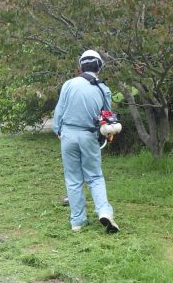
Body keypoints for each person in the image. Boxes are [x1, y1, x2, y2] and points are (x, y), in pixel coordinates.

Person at [52, 50, 119, 233]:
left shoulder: (68, 84)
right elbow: (107, 117)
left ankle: (77, 222)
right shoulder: (103, 88)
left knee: (73, 179)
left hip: (68, 135)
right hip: (89, 136)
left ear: (80, 66)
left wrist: (58, 130)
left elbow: (59, 111)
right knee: (95, 176)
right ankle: (104, 212)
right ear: (99, 67)